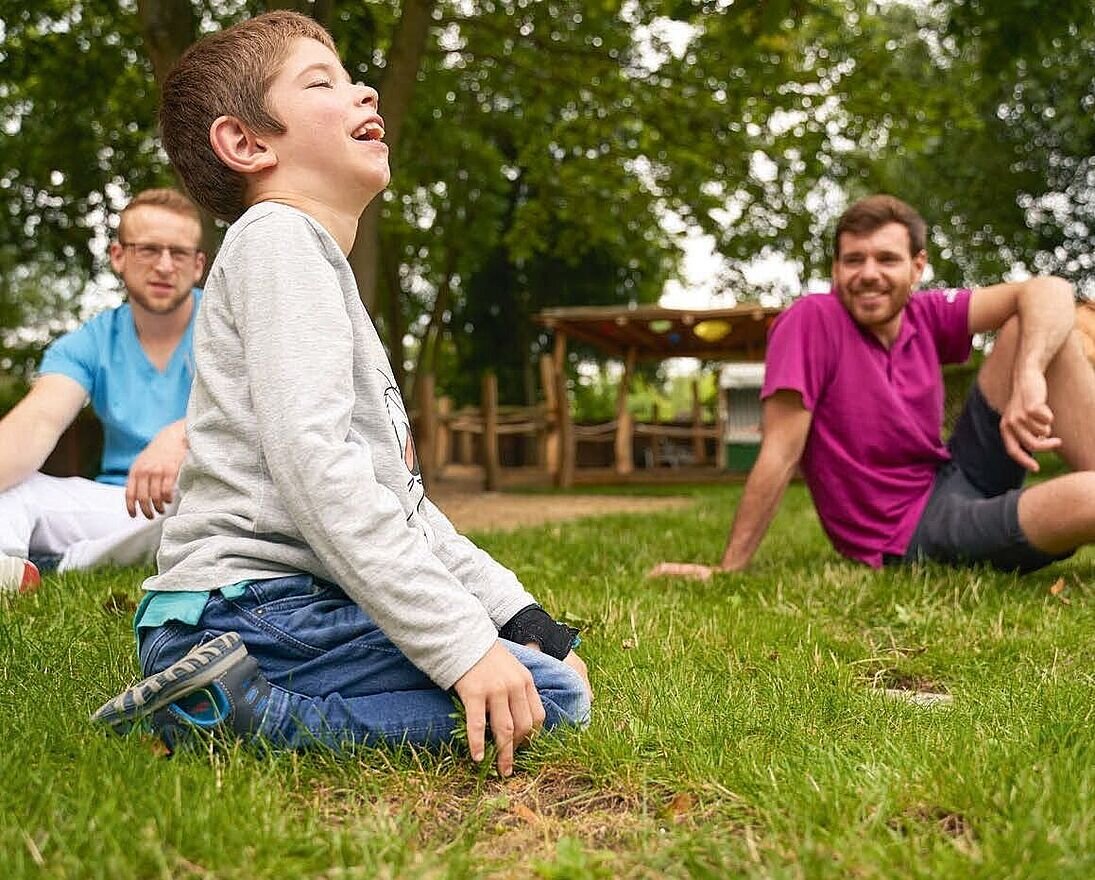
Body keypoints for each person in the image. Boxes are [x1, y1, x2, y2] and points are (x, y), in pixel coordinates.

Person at [92, 11, 591, 774]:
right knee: (549, 698)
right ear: (246, 143)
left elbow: (404, 508)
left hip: (265, 609)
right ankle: (241, 712)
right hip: (247, 609)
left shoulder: (310, 266)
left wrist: (525, 621)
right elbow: (316, 470)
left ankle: (227, 690)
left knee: (540, 672)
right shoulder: (279, 240)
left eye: (356, 77)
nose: (362, 92)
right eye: (322, 81)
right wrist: (464, 649)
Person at [651, 194, 1095, 580]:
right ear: (835, 268)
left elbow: (1049, 289)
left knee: (1032, 328)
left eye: (886, 259)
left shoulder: (922, 314)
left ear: (917, 266)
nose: (868, 273)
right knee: (1088, 498)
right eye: (853, 259)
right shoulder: (812, 321)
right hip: (909, 527)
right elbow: (780, 452)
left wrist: (1029, 375)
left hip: (956, 473)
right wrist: (730, 566)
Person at [0, 188, 204, 593]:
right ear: (118, 257)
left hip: (200, 495)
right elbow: (36, 423)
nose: (164, 266)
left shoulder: (226, 325)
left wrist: (181, 434)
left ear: (198, 266)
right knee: (19, 488)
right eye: (148, 250)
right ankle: (11, 568)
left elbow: (264, 413)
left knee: (205, 512)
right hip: (119, 503)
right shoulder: (89, 341)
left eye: (178, 253)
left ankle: (60, 564)